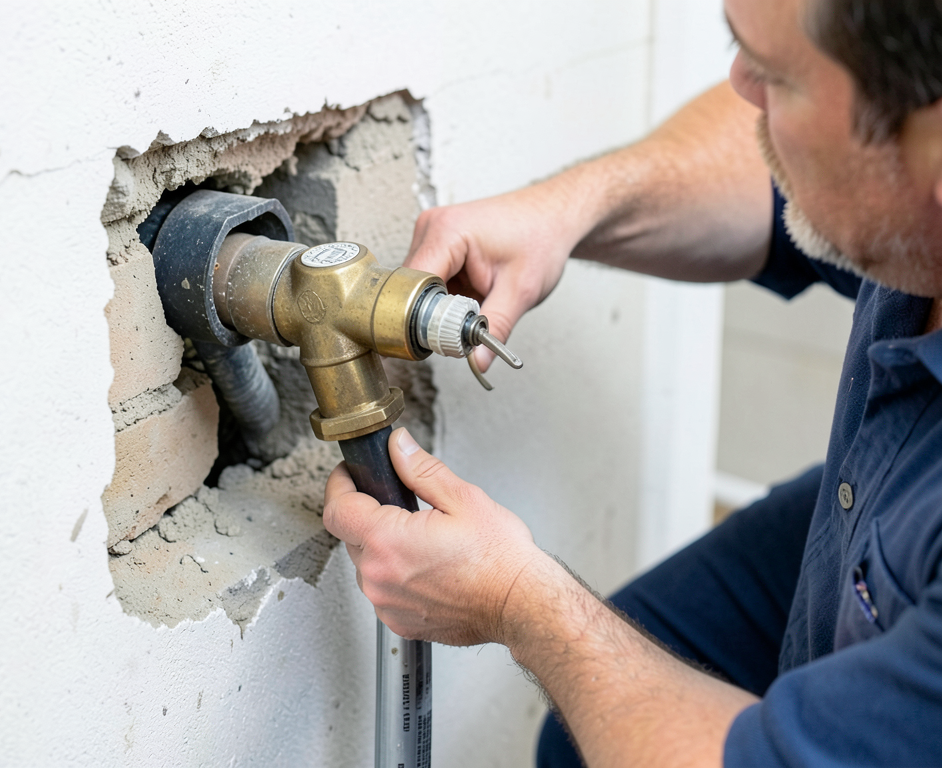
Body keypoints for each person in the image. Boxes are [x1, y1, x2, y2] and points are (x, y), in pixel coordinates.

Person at [323, 0, 942, 764]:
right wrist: (571, 208)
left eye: (778, 79)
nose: (739, 85)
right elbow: (774, 172)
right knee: (587, 741)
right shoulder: (910, 190)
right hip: (892, 507)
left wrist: (517, 602)